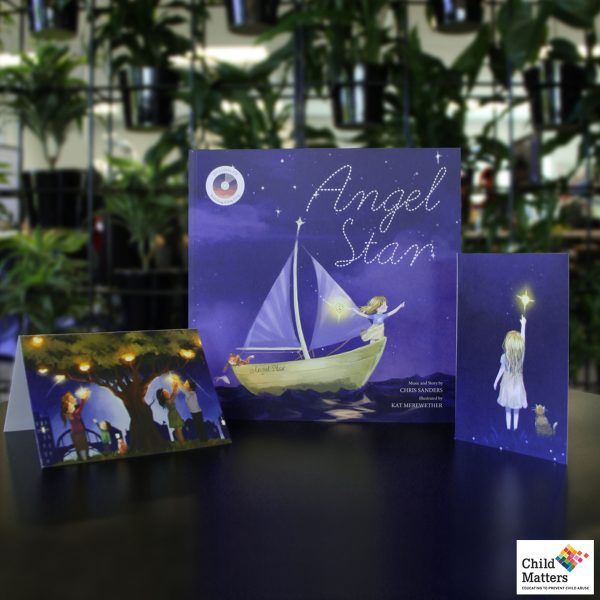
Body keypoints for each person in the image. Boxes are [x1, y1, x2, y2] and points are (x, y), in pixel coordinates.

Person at [494, 316, 527, 431]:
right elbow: (523, 340)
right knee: (515, 409)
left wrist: (496, 381)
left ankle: (510, 429)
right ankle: (513, 429)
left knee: (508, 409)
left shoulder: (507, 357)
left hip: (507, 384)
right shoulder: (520, 357)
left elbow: (501, 369)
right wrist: (523, 325)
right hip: (516, 385)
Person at [61, 391, 90, 461]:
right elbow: (77, 412)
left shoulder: (73, 410)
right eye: (72, 398)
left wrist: (83, 399)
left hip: (80, 430)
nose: (74, 398)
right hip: (76, 432)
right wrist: (83, 400)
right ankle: (83, 459)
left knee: (84, 445)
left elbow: (79, 409)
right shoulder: (69, 412)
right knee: (80, 447)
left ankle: (85, 458)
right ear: (68, 402)